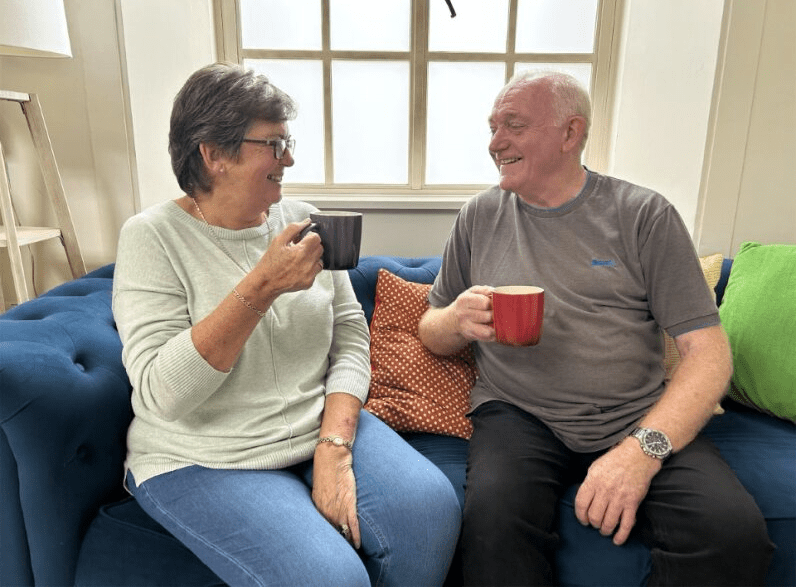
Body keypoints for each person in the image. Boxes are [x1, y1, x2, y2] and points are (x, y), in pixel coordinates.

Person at [418, 70, 773, 586]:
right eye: (493, 128)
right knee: (493, 530)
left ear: (571, 133)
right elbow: (431, 328)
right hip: (518, 413)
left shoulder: (643, 215)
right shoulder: (479, 215)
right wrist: (455, 320)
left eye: (513, 125)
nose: (495, 143)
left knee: (732, 537)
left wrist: (642, 451)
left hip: (635, 412)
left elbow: (709, 353)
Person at [112, 62, 460, 587]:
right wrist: (262, 287)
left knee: (431, 511)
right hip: (204, 456)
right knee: (331, 578)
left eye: (287, 142)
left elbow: (350, 336)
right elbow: (164, 395)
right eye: (273, 145)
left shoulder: (303, 218)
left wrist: (334, 445)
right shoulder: (151, 237)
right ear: (214, 154)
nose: (289, 159)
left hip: (314, 426)